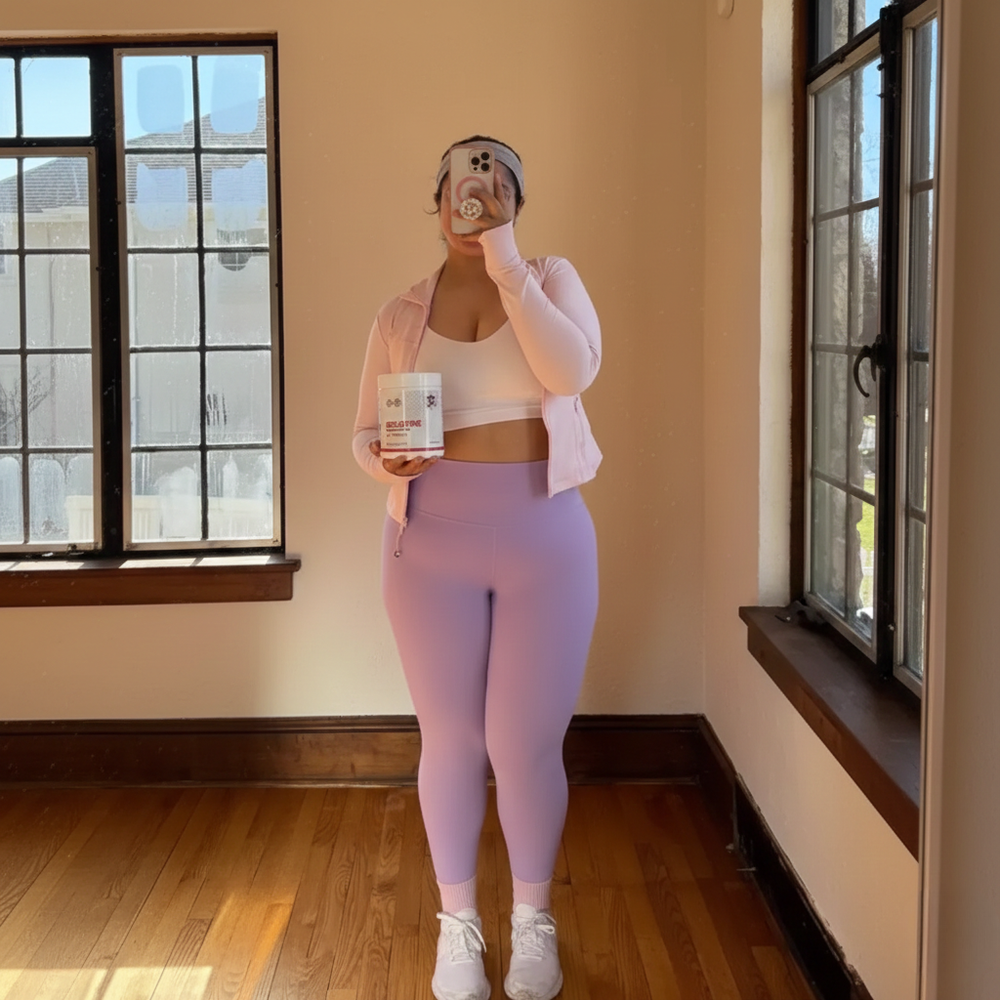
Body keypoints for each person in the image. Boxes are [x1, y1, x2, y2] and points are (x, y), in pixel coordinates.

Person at [352, 135, 601, 1000]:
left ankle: (533, 921)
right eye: (463, 177)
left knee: (523, 743)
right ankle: (457, 925)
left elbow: (573, 369)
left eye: (496, 180)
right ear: (438, 198)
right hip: (429, 545)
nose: (477, 191)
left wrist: (505, 260)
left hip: (547, 541)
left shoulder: (549, 280)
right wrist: (385, 462)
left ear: (517, 201)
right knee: (451, 740)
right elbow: (362, 434)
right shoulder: (399, 315)